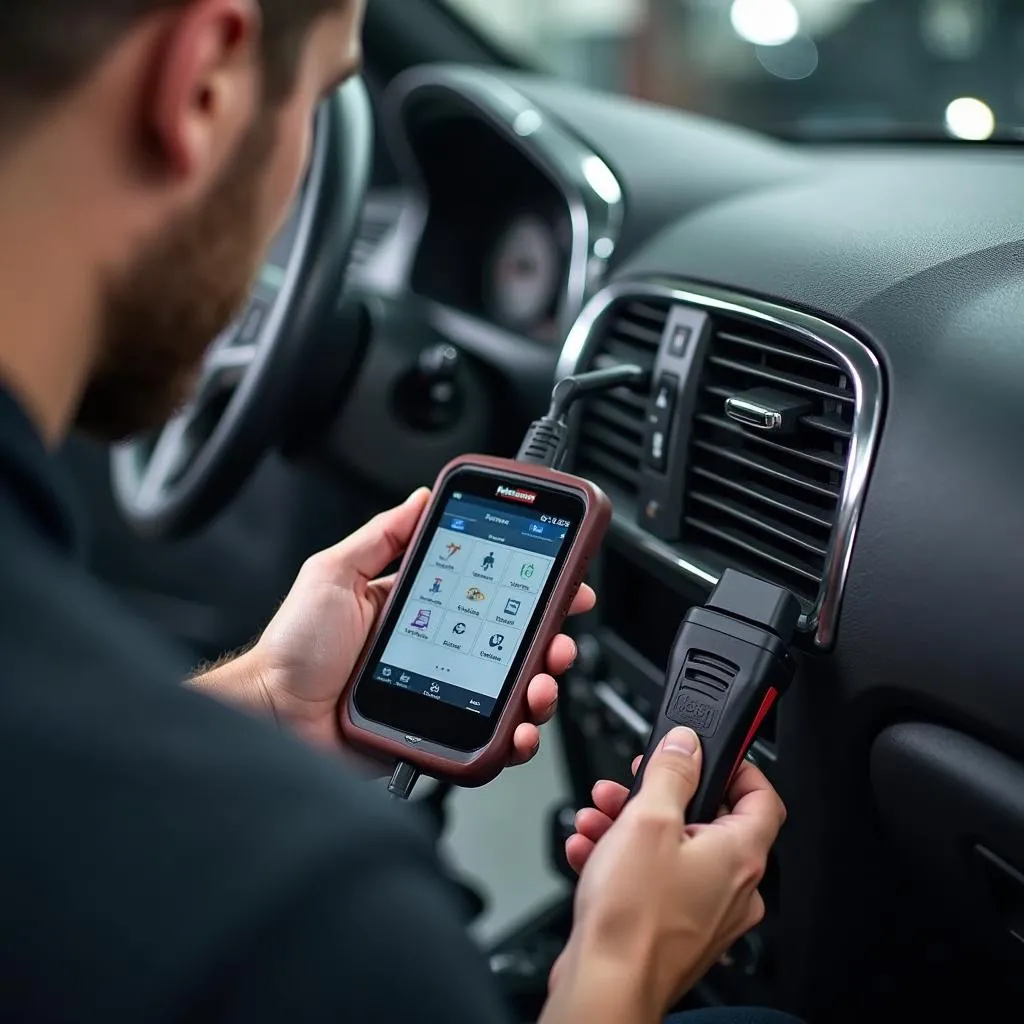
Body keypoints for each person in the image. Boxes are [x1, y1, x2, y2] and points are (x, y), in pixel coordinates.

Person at [0, 0, 797, 1022]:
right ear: (200, 82)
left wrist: (268, 705)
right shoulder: (304, 916)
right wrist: (624, 962)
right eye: (325, 95)